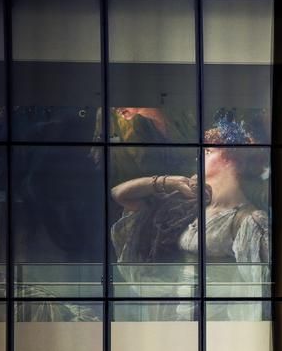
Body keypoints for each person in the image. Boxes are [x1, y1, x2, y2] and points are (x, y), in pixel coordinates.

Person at [110, 118, 270, 312]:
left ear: (232, 159)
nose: (199, 157)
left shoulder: (249, 220)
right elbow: (119, 194)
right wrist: (168, 181)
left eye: (208, 151)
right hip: (181, 317)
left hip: (218, 325)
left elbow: (256, 290)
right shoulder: (191, 205)